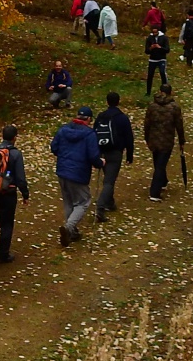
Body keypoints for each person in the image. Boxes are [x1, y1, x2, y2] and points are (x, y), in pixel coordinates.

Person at [50, 106, 103, 246]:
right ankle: (69, 228)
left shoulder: (63, 130)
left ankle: (71, 233)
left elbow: (54, 148)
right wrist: (100, 163)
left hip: (62, 171)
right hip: (78, 173)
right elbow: (93, 156)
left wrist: (63, 157)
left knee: (68, 201)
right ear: (89, 119)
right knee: (83, 202)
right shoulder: (90, 134)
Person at [0, 126, 30, 263]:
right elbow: (20, 178)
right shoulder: (15, 154)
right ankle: (3, 254)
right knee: (7, 223)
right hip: (8, 192)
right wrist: (25, 194)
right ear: (14, 137)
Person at [92, 92, 134, 221]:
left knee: (107, 178)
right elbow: (129, 137)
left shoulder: (101, 116)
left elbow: (94, 133)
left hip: (102, 152)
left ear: (107, 102)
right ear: (118, 101)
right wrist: (129, 155)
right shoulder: (122, 118)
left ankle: (110, 203)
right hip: (115, 153)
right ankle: (100, 207)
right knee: (109, 181)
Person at [143, 85, 186, 201]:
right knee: (160, 165)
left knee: (158, 162)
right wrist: (182, 141)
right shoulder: (174, 107)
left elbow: (147, 123)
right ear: (171, 92)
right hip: (167, 140)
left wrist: (146, 138)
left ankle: (163, 181)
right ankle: (154, 192)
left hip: (153, 139)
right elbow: (179, 125)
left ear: (160, 91)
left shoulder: (152, 106)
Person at [144, 27, 171, 94]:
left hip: (161, 59)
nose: (154, 34)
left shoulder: (164, 38)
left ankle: (165, 90)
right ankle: (148, 92)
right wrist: (151, 48)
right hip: (152, 59)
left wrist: (160, 47)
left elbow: (167, 49)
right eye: (153, 32)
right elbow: (146, 51)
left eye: (156, 32)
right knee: (150, 75)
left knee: (162, 73)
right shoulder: (149, 38)